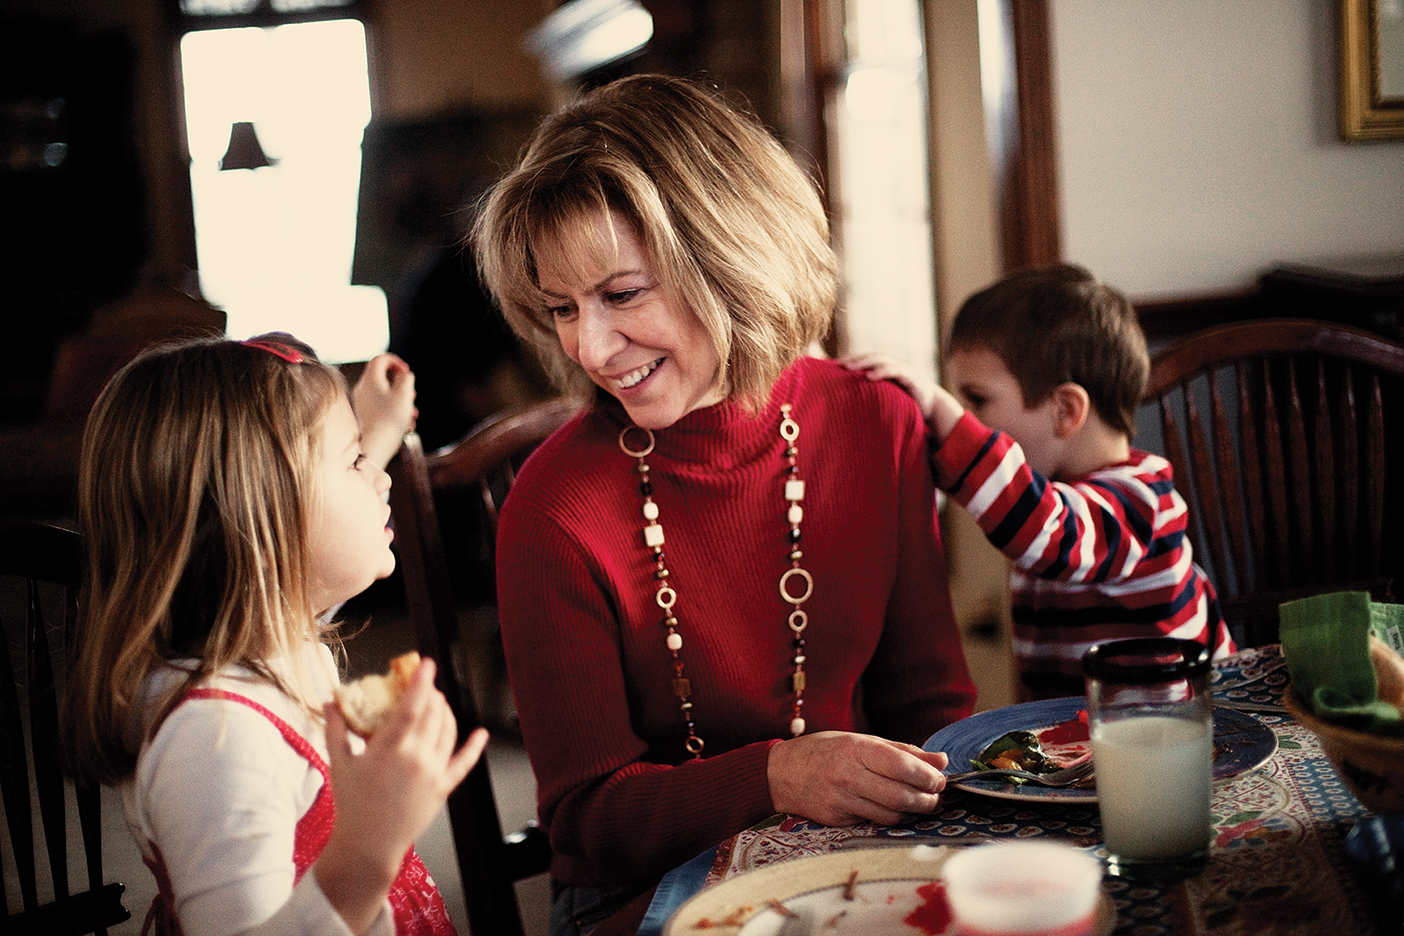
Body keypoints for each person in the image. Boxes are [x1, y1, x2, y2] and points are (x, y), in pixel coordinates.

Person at [471, 74, 977, 935]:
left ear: (733, 258)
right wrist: (776, 777)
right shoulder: (552, 510)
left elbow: (931, 710)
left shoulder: (876, 423)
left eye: (622, 294)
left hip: (857, 854)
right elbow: (586, 820)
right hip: (643, 890)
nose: (589, 348)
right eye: (563, 308)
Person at [61, 333, 485, 936]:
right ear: (265, 517)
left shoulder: (270, 637)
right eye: (353, 462)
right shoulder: (213, 739)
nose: (382, 481)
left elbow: (319, 563)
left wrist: (372, 434)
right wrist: (367, 852)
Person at [847, 263, 1233, 702]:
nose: (967, 420)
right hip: (1082, 737)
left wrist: (944, 412)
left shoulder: (1140, 503)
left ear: (1065, 411)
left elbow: (1043, 527)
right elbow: (999, 491)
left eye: (977, 400)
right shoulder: (1036, 495)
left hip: (1170, 741)